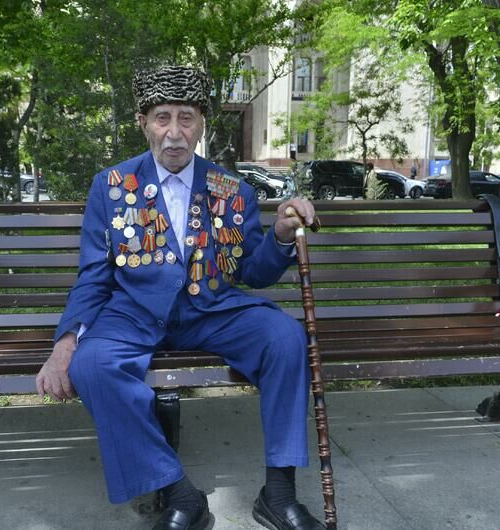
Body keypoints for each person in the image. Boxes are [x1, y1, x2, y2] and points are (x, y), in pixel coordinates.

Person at [35, 65, 323, 530]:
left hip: (211, 309)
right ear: (144, 123)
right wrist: (65, 343)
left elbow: (254, 272)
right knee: (91, 365)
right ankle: (180, 494)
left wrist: (283, 235)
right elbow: (93, 274)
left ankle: (279, 493)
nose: (174, 133)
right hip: (134, 312)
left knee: (286, 338)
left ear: (201, 124)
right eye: (162, 118)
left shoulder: (232, 189)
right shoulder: (112, 186)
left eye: (186, 118)